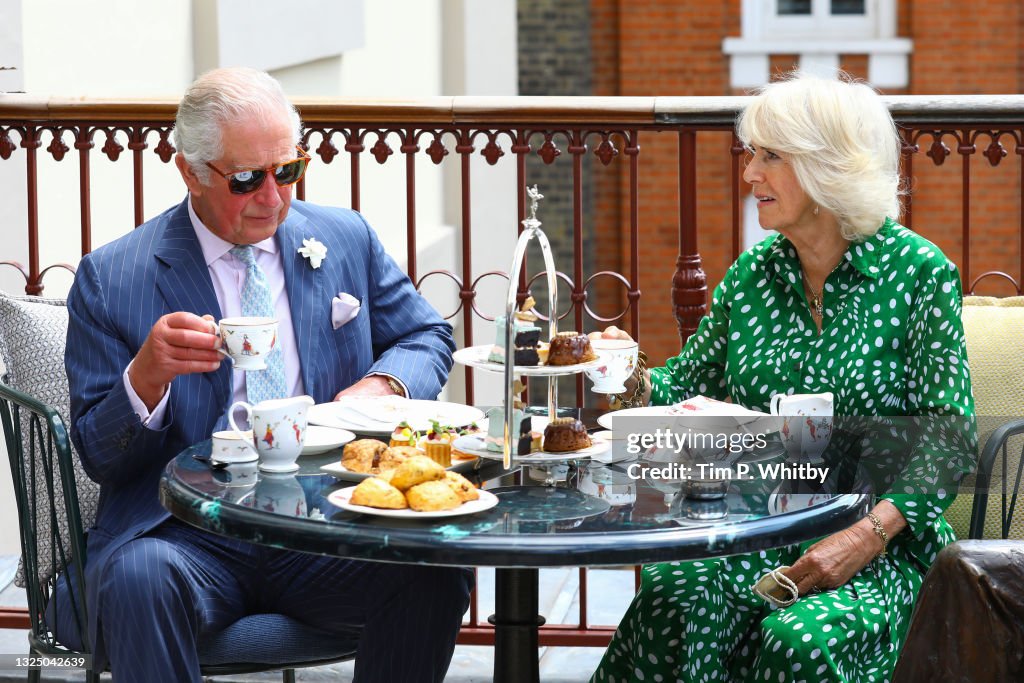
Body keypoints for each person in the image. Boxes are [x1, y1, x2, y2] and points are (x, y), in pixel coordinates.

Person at [65, 67, 471, 683]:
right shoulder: (112, 277)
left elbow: (426, 335)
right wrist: (144, 378)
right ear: (191, 173)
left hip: (326, 524)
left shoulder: (343, 236)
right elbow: (100, 456)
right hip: (187, 533)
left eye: (288, 170)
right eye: (248, 178)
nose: (274, 197)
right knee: (138, 580)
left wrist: (380, 387)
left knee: (434, 570)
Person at [590, 71, 976, 682]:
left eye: (770, 156)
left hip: (876, 543)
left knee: (799, 641)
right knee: (673, 595)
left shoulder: (918, 273)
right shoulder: (752, 275)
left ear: (829, 167)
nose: (749, 174)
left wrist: (868, 535)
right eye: (752, 155)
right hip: (758, 526)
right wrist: (625, 372)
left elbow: (949, 437)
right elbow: (687, 386)